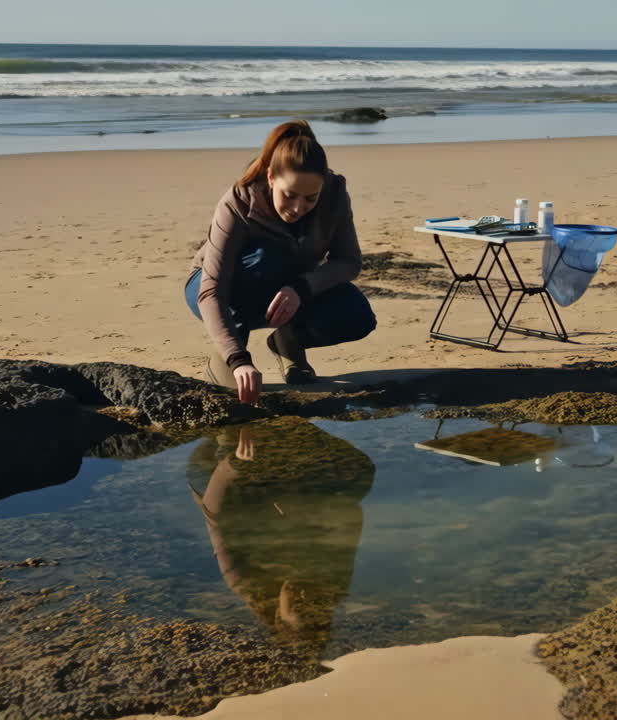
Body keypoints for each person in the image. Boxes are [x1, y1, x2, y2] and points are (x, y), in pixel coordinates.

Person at [185, 120, 377, 404]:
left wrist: (301, 288)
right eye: (290, 195)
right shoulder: (238, 202)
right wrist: (238, 359)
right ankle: (226, 353)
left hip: (286, 286)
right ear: (271, 177)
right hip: (211, 287)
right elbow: (212, 290)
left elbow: (348, 262)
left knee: (357, 316)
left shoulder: (335, 194)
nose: (299, 207)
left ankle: (289, 341)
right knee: (267, 258)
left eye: (311, 198)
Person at [187, 418, 375, 659]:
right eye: (314, 607)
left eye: (297, 606)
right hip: (282, 493)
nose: (305, 596)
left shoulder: (246, 583)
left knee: (242, 447)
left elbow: (215, 515)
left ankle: (234, 422)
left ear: (278, 614)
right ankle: (288, 422)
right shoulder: (331, 583)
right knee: (360, 472)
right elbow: (352, 515)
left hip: (216, 477)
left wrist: (233, 464)